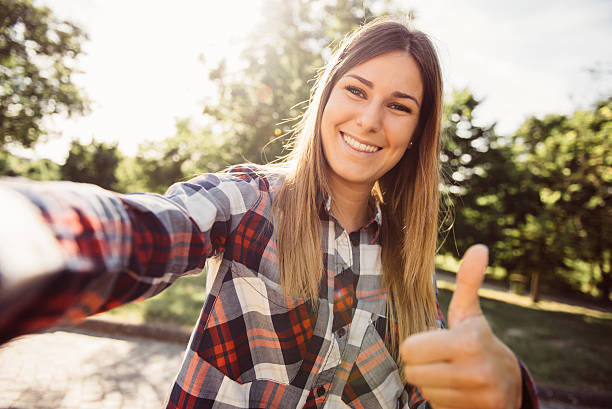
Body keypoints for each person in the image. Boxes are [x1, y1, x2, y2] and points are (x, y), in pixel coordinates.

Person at [0, 18, 538, 409]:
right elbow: (150, 230)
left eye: (399, 106)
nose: (371, 120)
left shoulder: (410, 274)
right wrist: (29, 236)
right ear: (326, 99)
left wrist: (512, 395)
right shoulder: (249, 201)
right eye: (356, 91)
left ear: (418, 133)